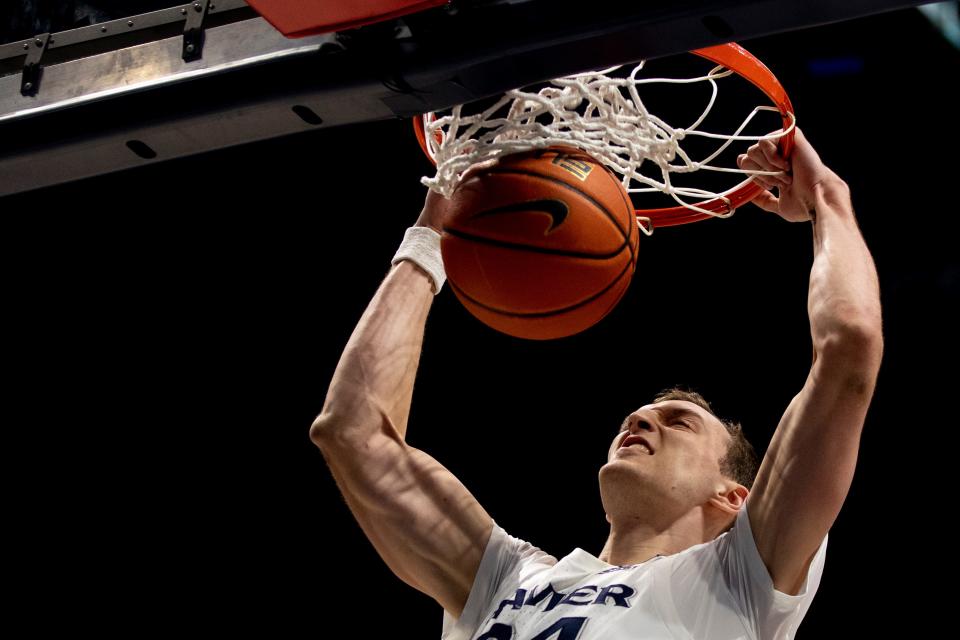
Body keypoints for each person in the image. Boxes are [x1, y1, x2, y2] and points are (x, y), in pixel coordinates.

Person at [308, 127, 882, 639]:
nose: (639, 420)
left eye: (678, 421)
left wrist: (828, 199)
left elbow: (849, 346)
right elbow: (353, 432)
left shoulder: (740, 580)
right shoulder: (504, 580)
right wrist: (431, 231)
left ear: (733, 497)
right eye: (640, 415)